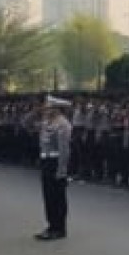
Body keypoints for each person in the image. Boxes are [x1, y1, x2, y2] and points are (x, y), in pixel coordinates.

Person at [36, 95, 73, 241]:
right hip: (45, 161)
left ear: (57, 109)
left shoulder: (63, 124)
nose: (45, 109)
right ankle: (51, 225)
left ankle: (59, 228)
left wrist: (62, 170)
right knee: (48, 196)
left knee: (58, 197)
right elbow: (25, 123)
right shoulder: (46, 122)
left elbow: (64, 150)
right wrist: (34, 113)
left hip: (55, 162)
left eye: (49, 107)